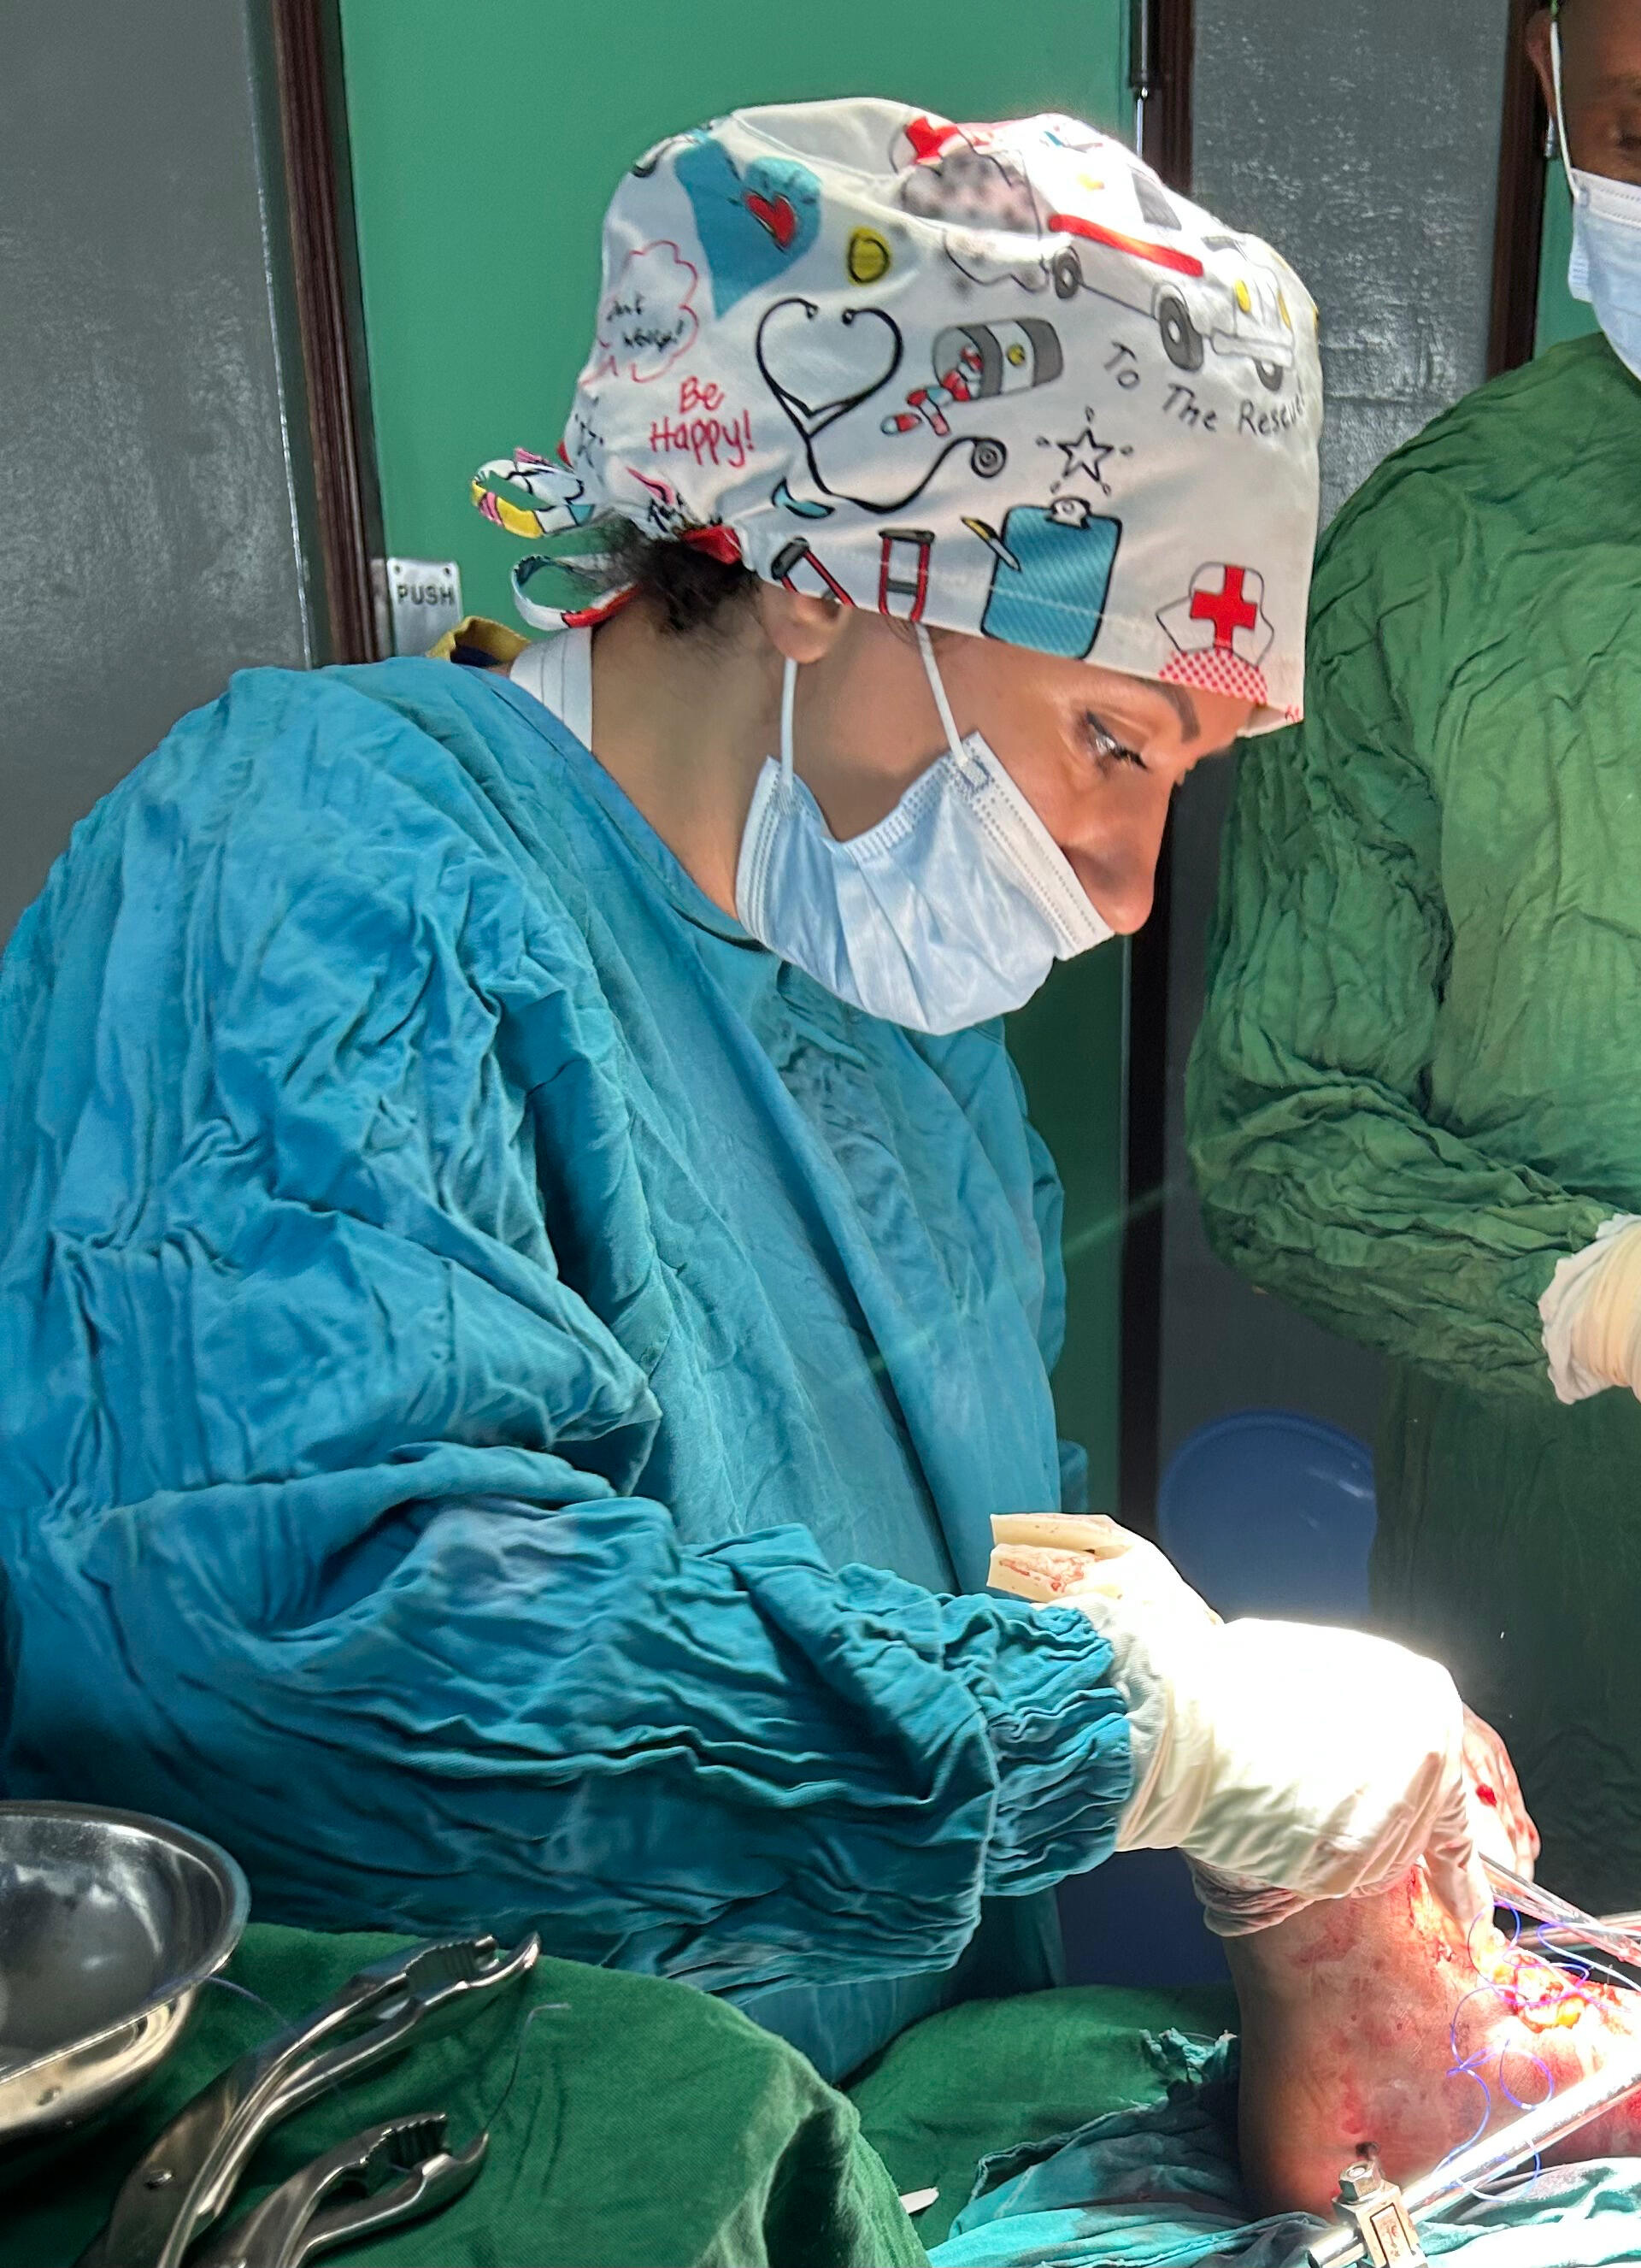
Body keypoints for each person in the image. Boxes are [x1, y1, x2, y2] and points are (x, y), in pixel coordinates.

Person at [0, 103, 1489, 2087]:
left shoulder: (901, 1022)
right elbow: (320, 1656)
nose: (1130, 892)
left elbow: (898, 1570)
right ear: (826, 575)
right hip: (448, 2136)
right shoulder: (307, 865)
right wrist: (1135, 1735)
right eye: (1111, 741)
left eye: (1182, 780)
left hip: (868, 2126)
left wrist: (1175, 1668)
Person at [1187, 0, 1641, 1917]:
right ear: (1551, 80)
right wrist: (1612, 1296)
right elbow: (1280, 1131)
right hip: (1562, 1627)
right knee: (1566, 2073)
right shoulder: (1434, 562)